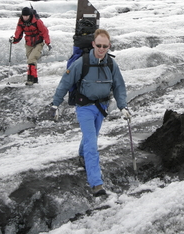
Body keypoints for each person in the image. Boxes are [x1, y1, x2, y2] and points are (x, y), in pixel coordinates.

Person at [46, 29, 131, 197]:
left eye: (104, 46)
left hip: (102, 107)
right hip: (84, 107)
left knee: (91, 136)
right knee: (92, 143)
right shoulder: (81, 63)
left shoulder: (111, 65)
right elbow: (65, 82)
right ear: (93, 44)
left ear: (109, 46)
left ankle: (81, 155)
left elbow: (119, 86)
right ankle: (96, 184)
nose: (101, 49)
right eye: (98, 45)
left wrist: (123, 107)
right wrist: (55, 104)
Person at [9, 7, 51, 85]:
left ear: (30, 15)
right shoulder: (21, 21)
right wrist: (14, 40)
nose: (25, 17)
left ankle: (30, 80)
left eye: (27, 16)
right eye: (24, 16)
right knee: (31, 61)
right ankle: (35, 79)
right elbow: (19, 33)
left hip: (38, 42)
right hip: (28, 43)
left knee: (31, 59)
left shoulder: (37, 21)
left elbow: (44, 31)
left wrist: (48, 43)